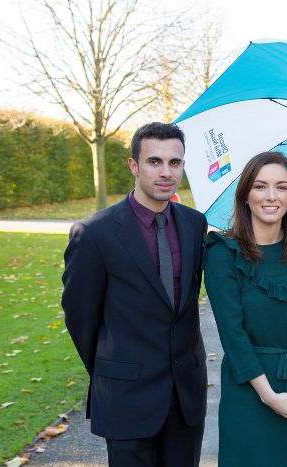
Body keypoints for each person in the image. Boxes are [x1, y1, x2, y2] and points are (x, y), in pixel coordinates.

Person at [61, 122, 208, 467]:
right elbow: (80, 317)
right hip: (125, 394)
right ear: (134, 166)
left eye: (175, 163)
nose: (165, 172)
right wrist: (114, 369)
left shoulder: (195, 224)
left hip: (186, 391)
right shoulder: (94, 232)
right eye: (154, 161)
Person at [204, 152, 287, 467]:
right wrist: (269, 396)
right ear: (246, 195)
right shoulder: (222, 253)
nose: (271, 196)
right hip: (249, 391)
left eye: (281, 187)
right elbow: (233, 335)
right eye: (260, 186)